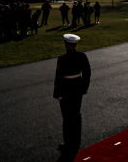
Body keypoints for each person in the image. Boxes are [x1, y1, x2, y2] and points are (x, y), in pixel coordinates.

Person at [53, 34, 91, 162]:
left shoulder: (62, 59)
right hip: (77, 88)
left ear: (67, 44)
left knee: (67, 117)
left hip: (66, 88)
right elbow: (87, 73)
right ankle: (76, 142)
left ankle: (68, 143)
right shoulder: (82, 56)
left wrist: (57, 92)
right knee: (76, 114)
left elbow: (58, 78)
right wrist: (84, 87)